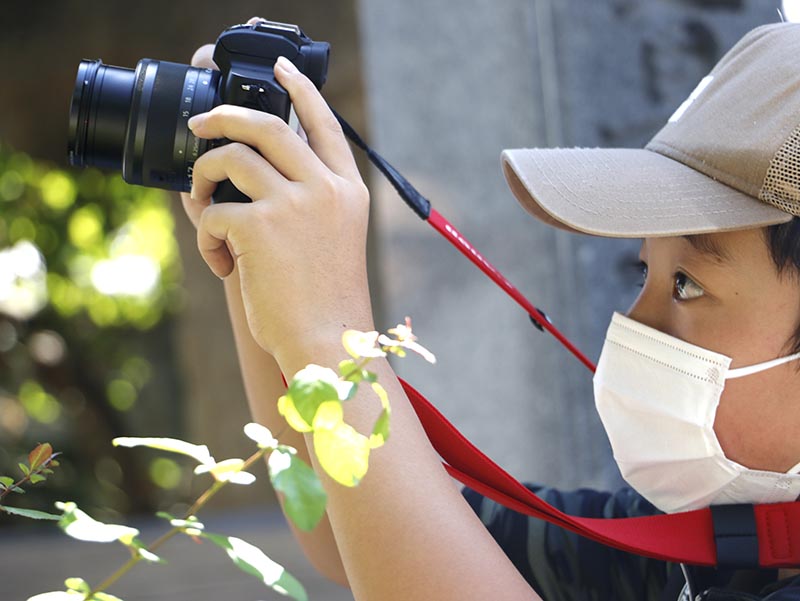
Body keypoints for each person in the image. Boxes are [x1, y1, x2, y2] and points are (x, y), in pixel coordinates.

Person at [179, 17, 800, 601]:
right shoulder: (728, 542)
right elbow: (357, 535)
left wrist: (325, 332)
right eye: (644, 272)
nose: (636, 327)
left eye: (686, 283)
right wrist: (257, 241)